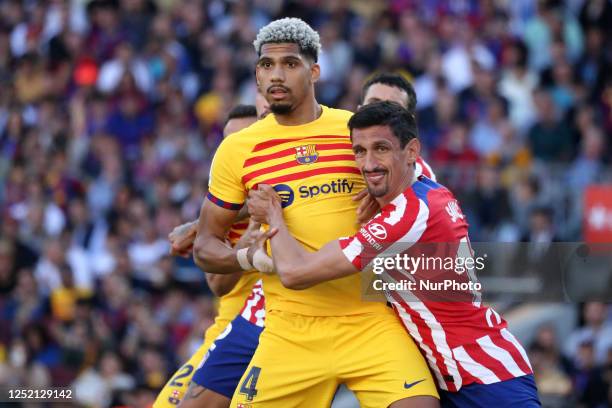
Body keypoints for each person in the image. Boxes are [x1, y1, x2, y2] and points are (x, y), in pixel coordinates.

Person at [193, 18, 438, 408]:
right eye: (266, 65)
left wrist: (384, 195)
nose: (276, 75)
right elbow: (205, 245)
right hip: (289, 328)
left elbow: (422, 189)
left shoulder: (352, 131)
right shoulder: (238, 150)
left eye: (290, 64)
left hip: (369, 318)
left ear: (315, 71)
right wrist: (247, 256)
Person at [246, 101, 541, 408]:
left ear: (411, 151)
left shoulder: (407, 216)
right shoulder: (428, 190)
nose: (368, 163)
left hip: (484, 377)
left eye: (381, 149)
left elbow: (296, 273)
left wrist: (273, 215)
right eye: (359, 151)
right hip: (458, 374)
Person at [153, 104, 265, 408]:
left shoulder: (287, 194)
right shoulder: (217, 208)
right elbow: (218, 285)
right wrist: (242, 244)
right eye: (228, 142)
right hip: (231, 324)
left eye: (245, 140)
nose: (236, 150)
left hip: (281, 324)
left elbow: (279, 192)